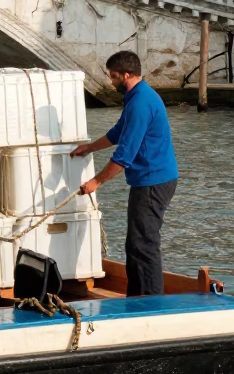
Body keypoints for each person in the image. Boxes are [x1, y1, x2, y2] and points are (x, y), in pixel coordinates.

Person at [70, 51, 179, 296]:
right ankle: (138, 295)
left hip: (153, 180)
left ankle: (150, 301)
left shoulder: (141, 103)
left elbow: (124, 155)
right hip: (151, 178)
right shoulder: (136, 96)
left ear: (127, 75)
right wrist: (89, 147)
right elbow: (118, 131)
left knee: (144, 243)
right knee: (135, 243)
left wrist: (96, 182)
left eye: (114, 77)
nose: (111, 82)